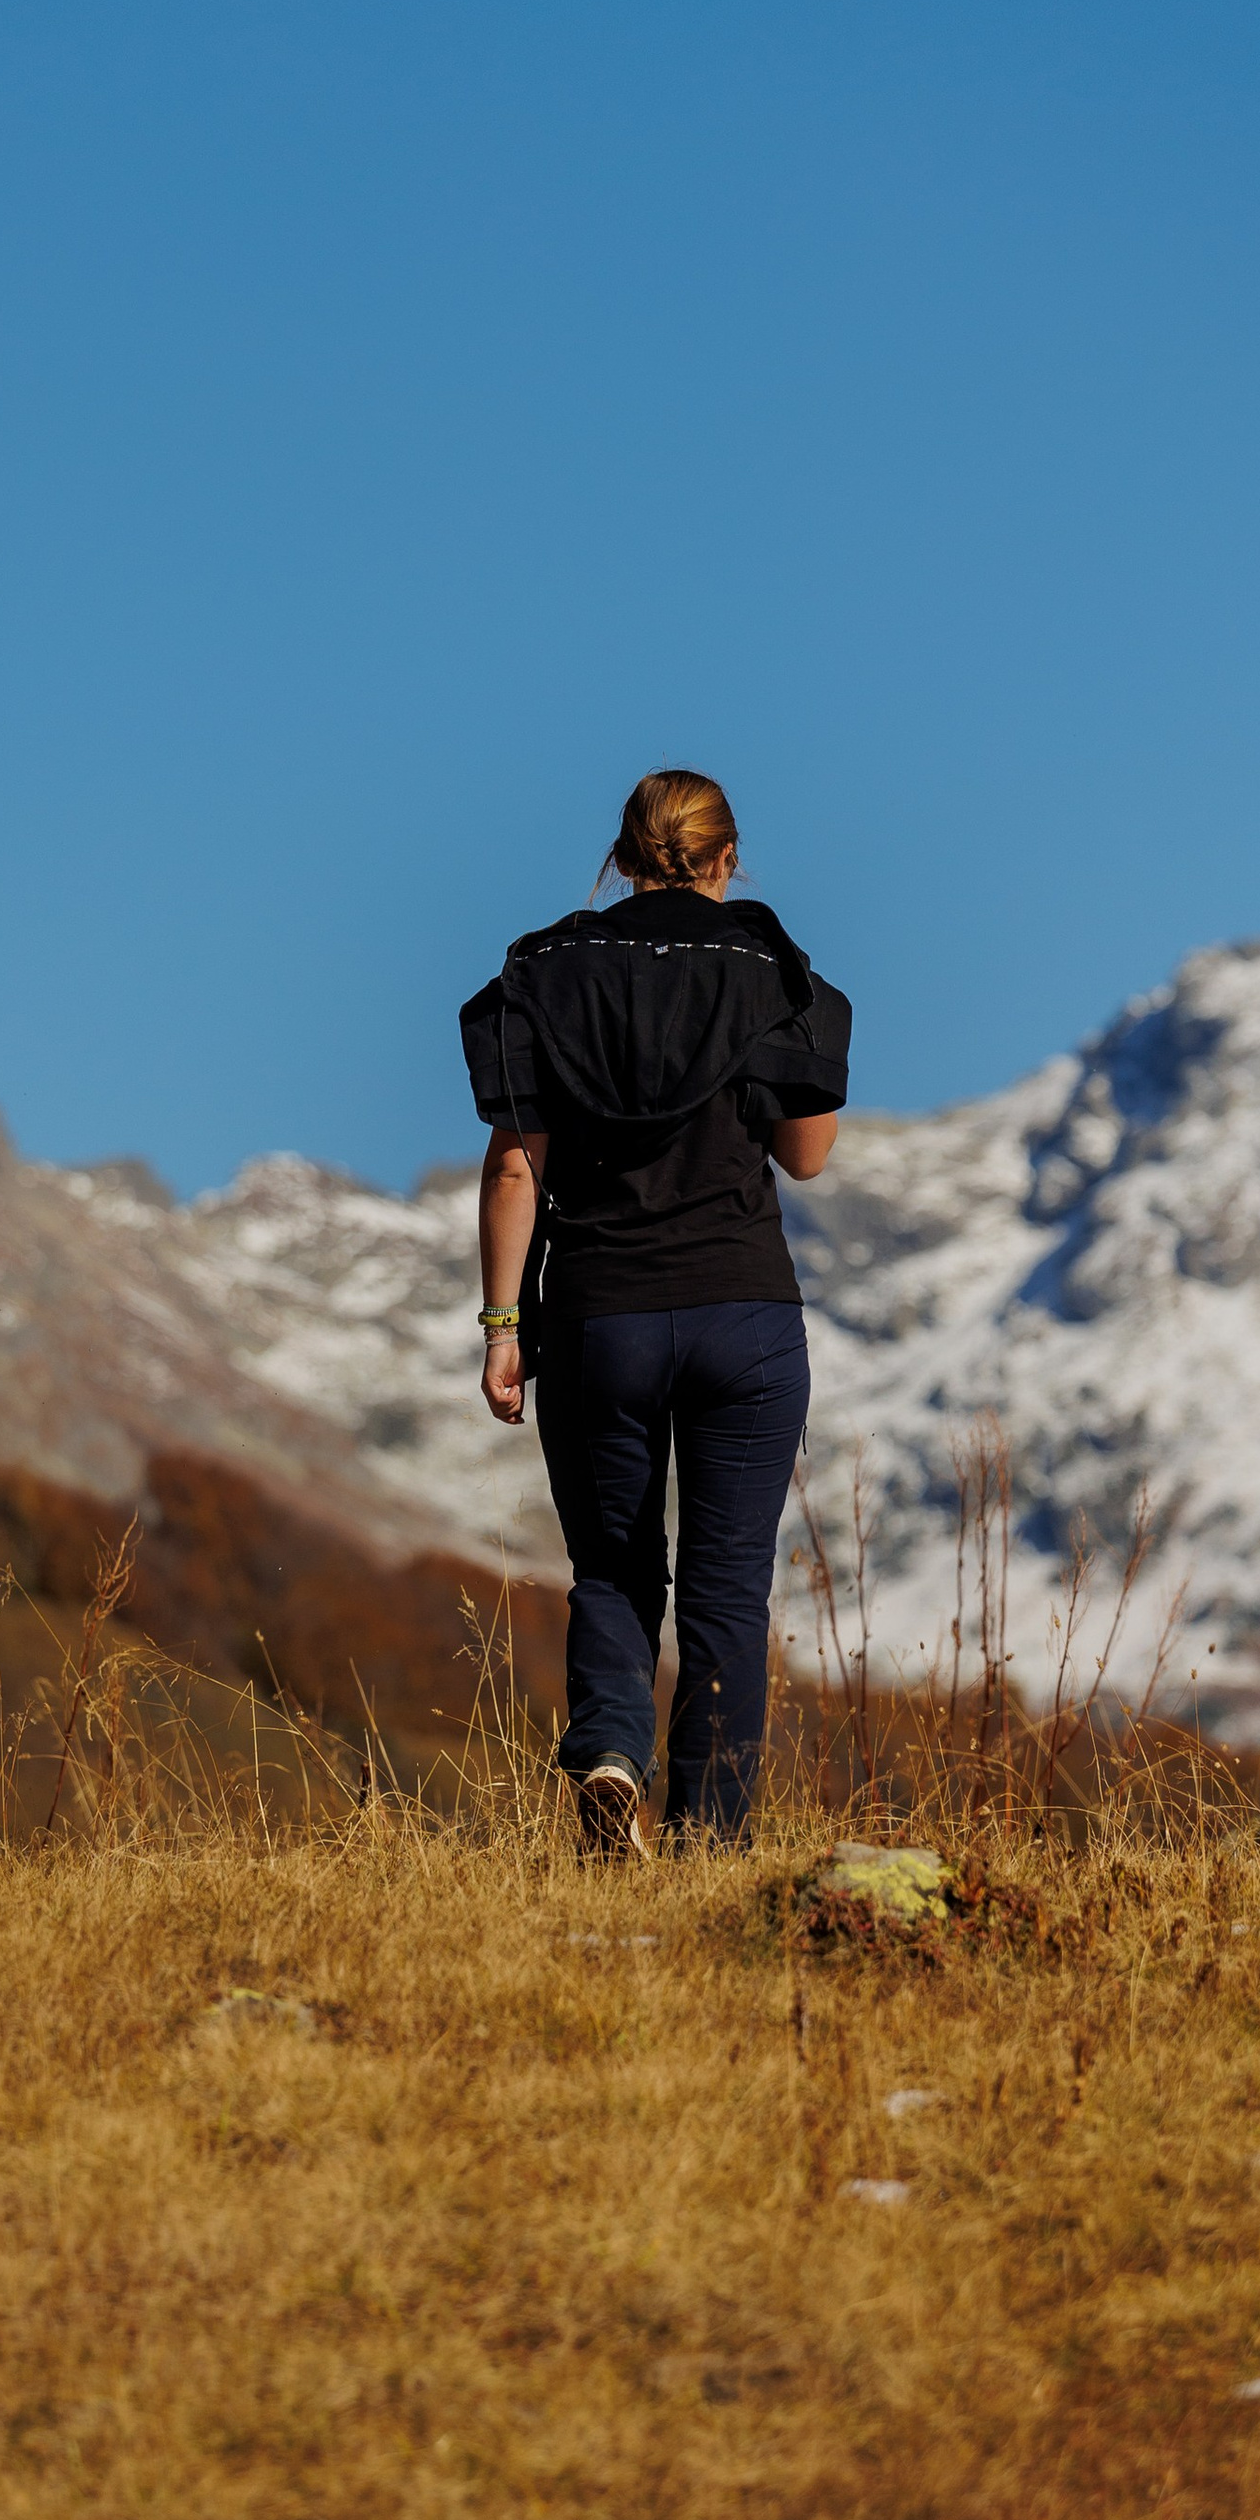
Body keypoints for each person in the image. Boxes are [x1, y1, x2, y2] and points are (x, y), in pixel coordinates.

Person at [458, 771, 849, 1853]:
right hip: (744, 1317)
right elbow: (806, 1158)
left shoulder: (543, 973)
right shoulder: (773, 970)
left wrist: (501, 1329)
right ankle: (710, 1845)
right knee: (728, 1594)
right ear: (727, 858)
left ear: (622, 855)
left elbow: (511, 1171)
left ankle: (611, 1754)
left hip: (598, 1318)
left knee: (614, 1568)